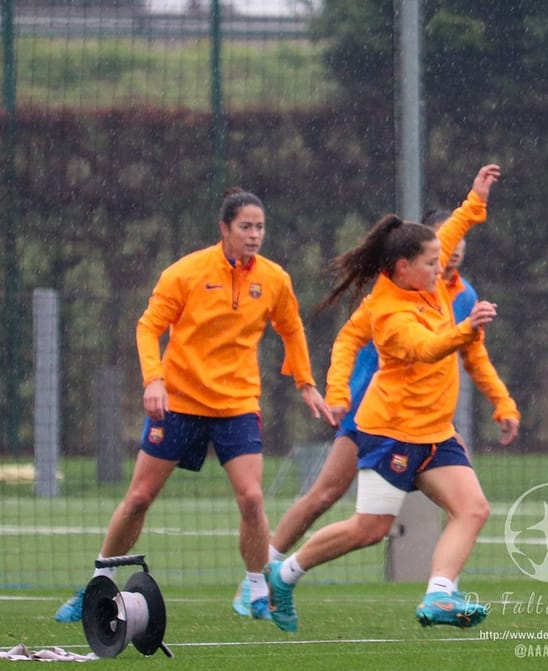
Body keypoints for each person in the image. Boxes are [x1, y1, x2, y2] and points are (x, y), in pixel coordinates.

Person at [229, 175, 519, 618]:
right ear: (403, 267)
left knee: (474, 508)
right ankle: (283, 574)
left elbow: (453, 231)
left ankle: (439, 594)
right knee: (369, 528)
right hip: (392, 433)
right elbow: (422, 349)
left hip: (435, 432)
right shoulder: (390, 311)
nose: (441, 268)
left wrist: (475, 200)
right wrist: (465, 329)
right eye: (431, 262)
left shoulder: (430, 280)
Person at [55, 188, 334, 623]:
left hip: (237, 404)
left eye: (260, 227)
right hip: (181, 403)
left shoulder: (274, 279)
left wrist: (305, 382)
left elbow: (291, 328)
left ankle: (255, 590)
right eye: (246, 227)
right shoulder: (186, 272)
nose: (255, 235)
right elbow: (149, 327)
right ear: (224, 229)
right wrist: (154, 381)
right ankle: (96, 583)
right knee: (140, 497)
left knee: (253, 499)